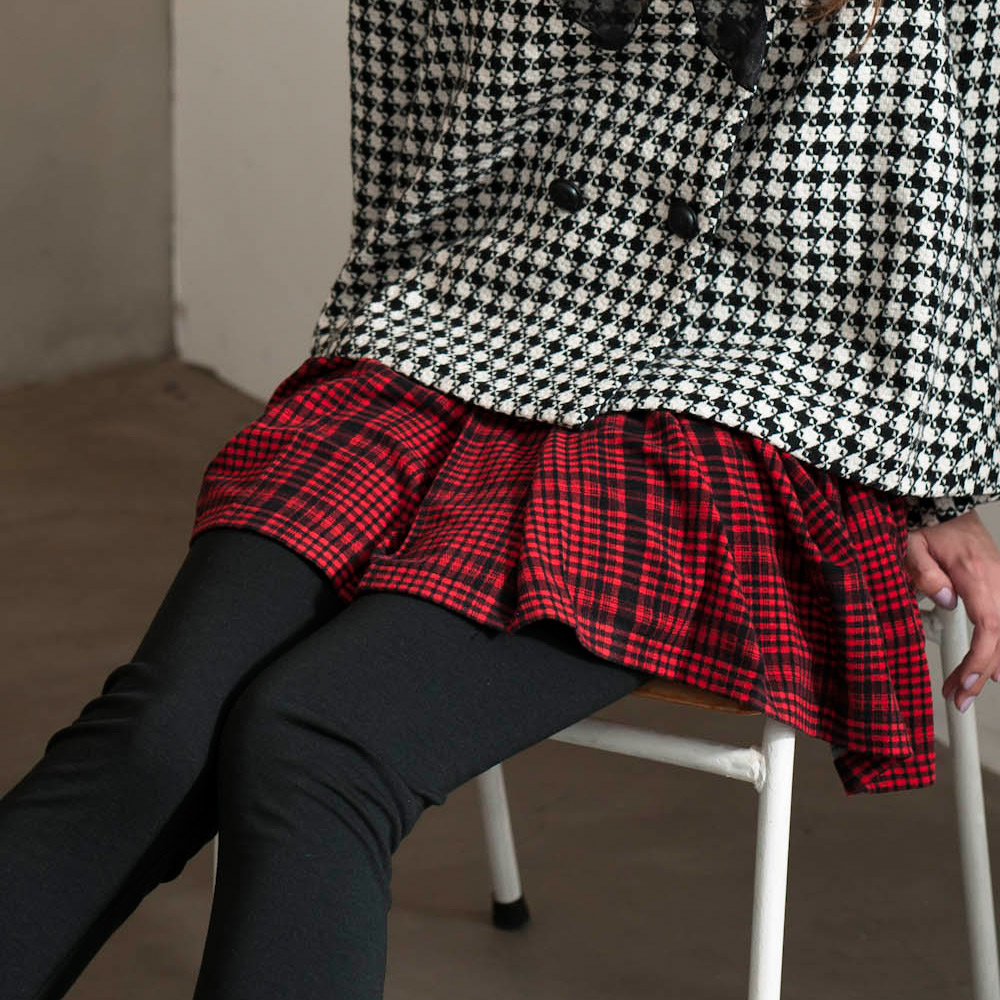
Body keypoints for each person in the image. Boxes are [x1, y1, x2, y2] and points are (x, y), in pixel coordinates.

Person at [2, 0, 999, 996]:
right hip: (463, 325)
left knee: (316, 740)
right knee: (157, 733)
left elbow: (978, 195)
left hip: (741, 397)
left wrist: (938, 482)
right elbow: (408, 143)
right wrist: (372, 347)